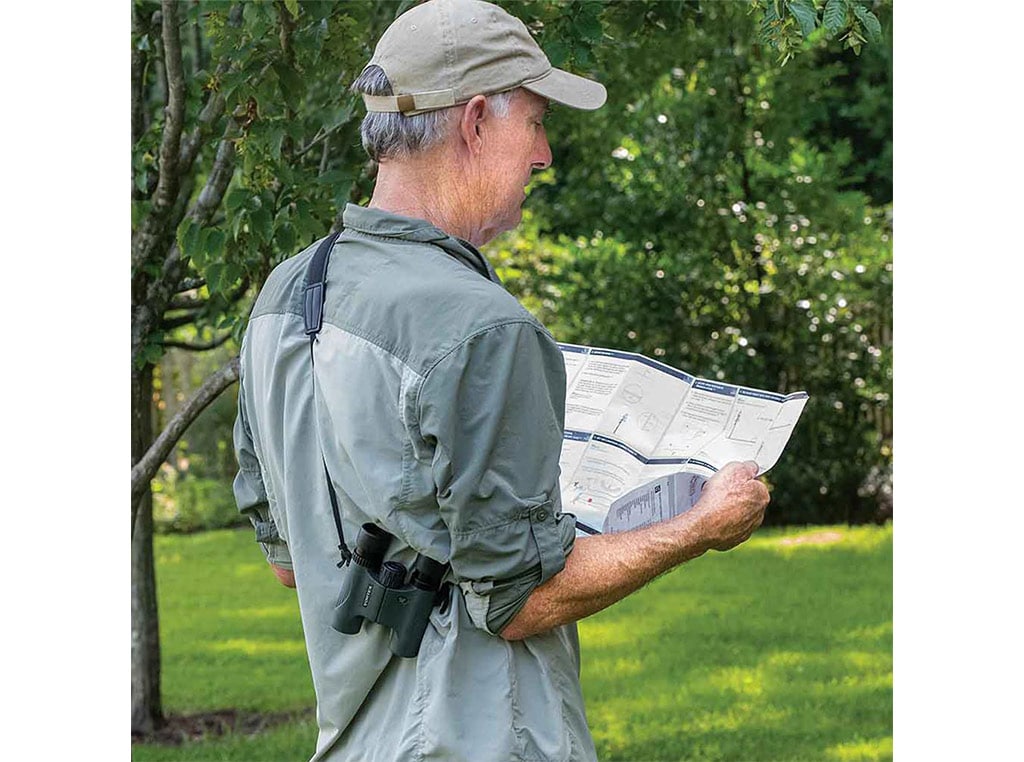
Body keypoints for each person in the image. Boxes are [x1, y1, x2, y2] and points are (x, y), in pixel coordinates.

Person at [232, 1, 769, 760]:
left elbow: (292, 563)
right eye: (538, 123)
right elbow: (519, 601)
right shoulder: (482, 327)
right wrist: (700, 527)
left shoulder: (287, 296)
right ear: (476, 121)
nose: (545, 155)